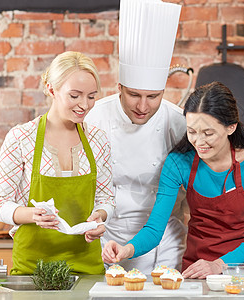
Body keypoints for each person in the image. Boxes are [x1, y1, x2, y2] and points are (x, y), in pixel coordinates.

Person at [102, 81, 244, 278]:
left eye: (208, 133)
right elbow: (154, 229)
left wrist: (218, 265)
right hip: (198, 269)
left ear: (231, 127)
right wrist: (127, 250)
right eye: (192, 131)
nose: (199, 142)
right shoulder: (178, 163)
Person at [84, 0, 187, 274]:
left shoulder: (177, 122)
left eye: (153, 97)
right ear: (119, 87)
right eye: (134, 95)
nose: (143, 107)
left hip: (164, 239)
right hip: (107, 238)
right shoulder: (94, 118)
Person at [0, 51, 115, 275]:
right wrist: (33, 215)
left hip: (86, 264)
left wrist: (101, 216)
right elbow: (0, 206)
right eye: (75, 96)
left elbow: (107, 198)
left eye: (91, 96)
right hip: (33, 267)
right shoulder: (21, 138)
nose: (84, 105)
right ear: (51, 89)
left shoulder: (98, 139)